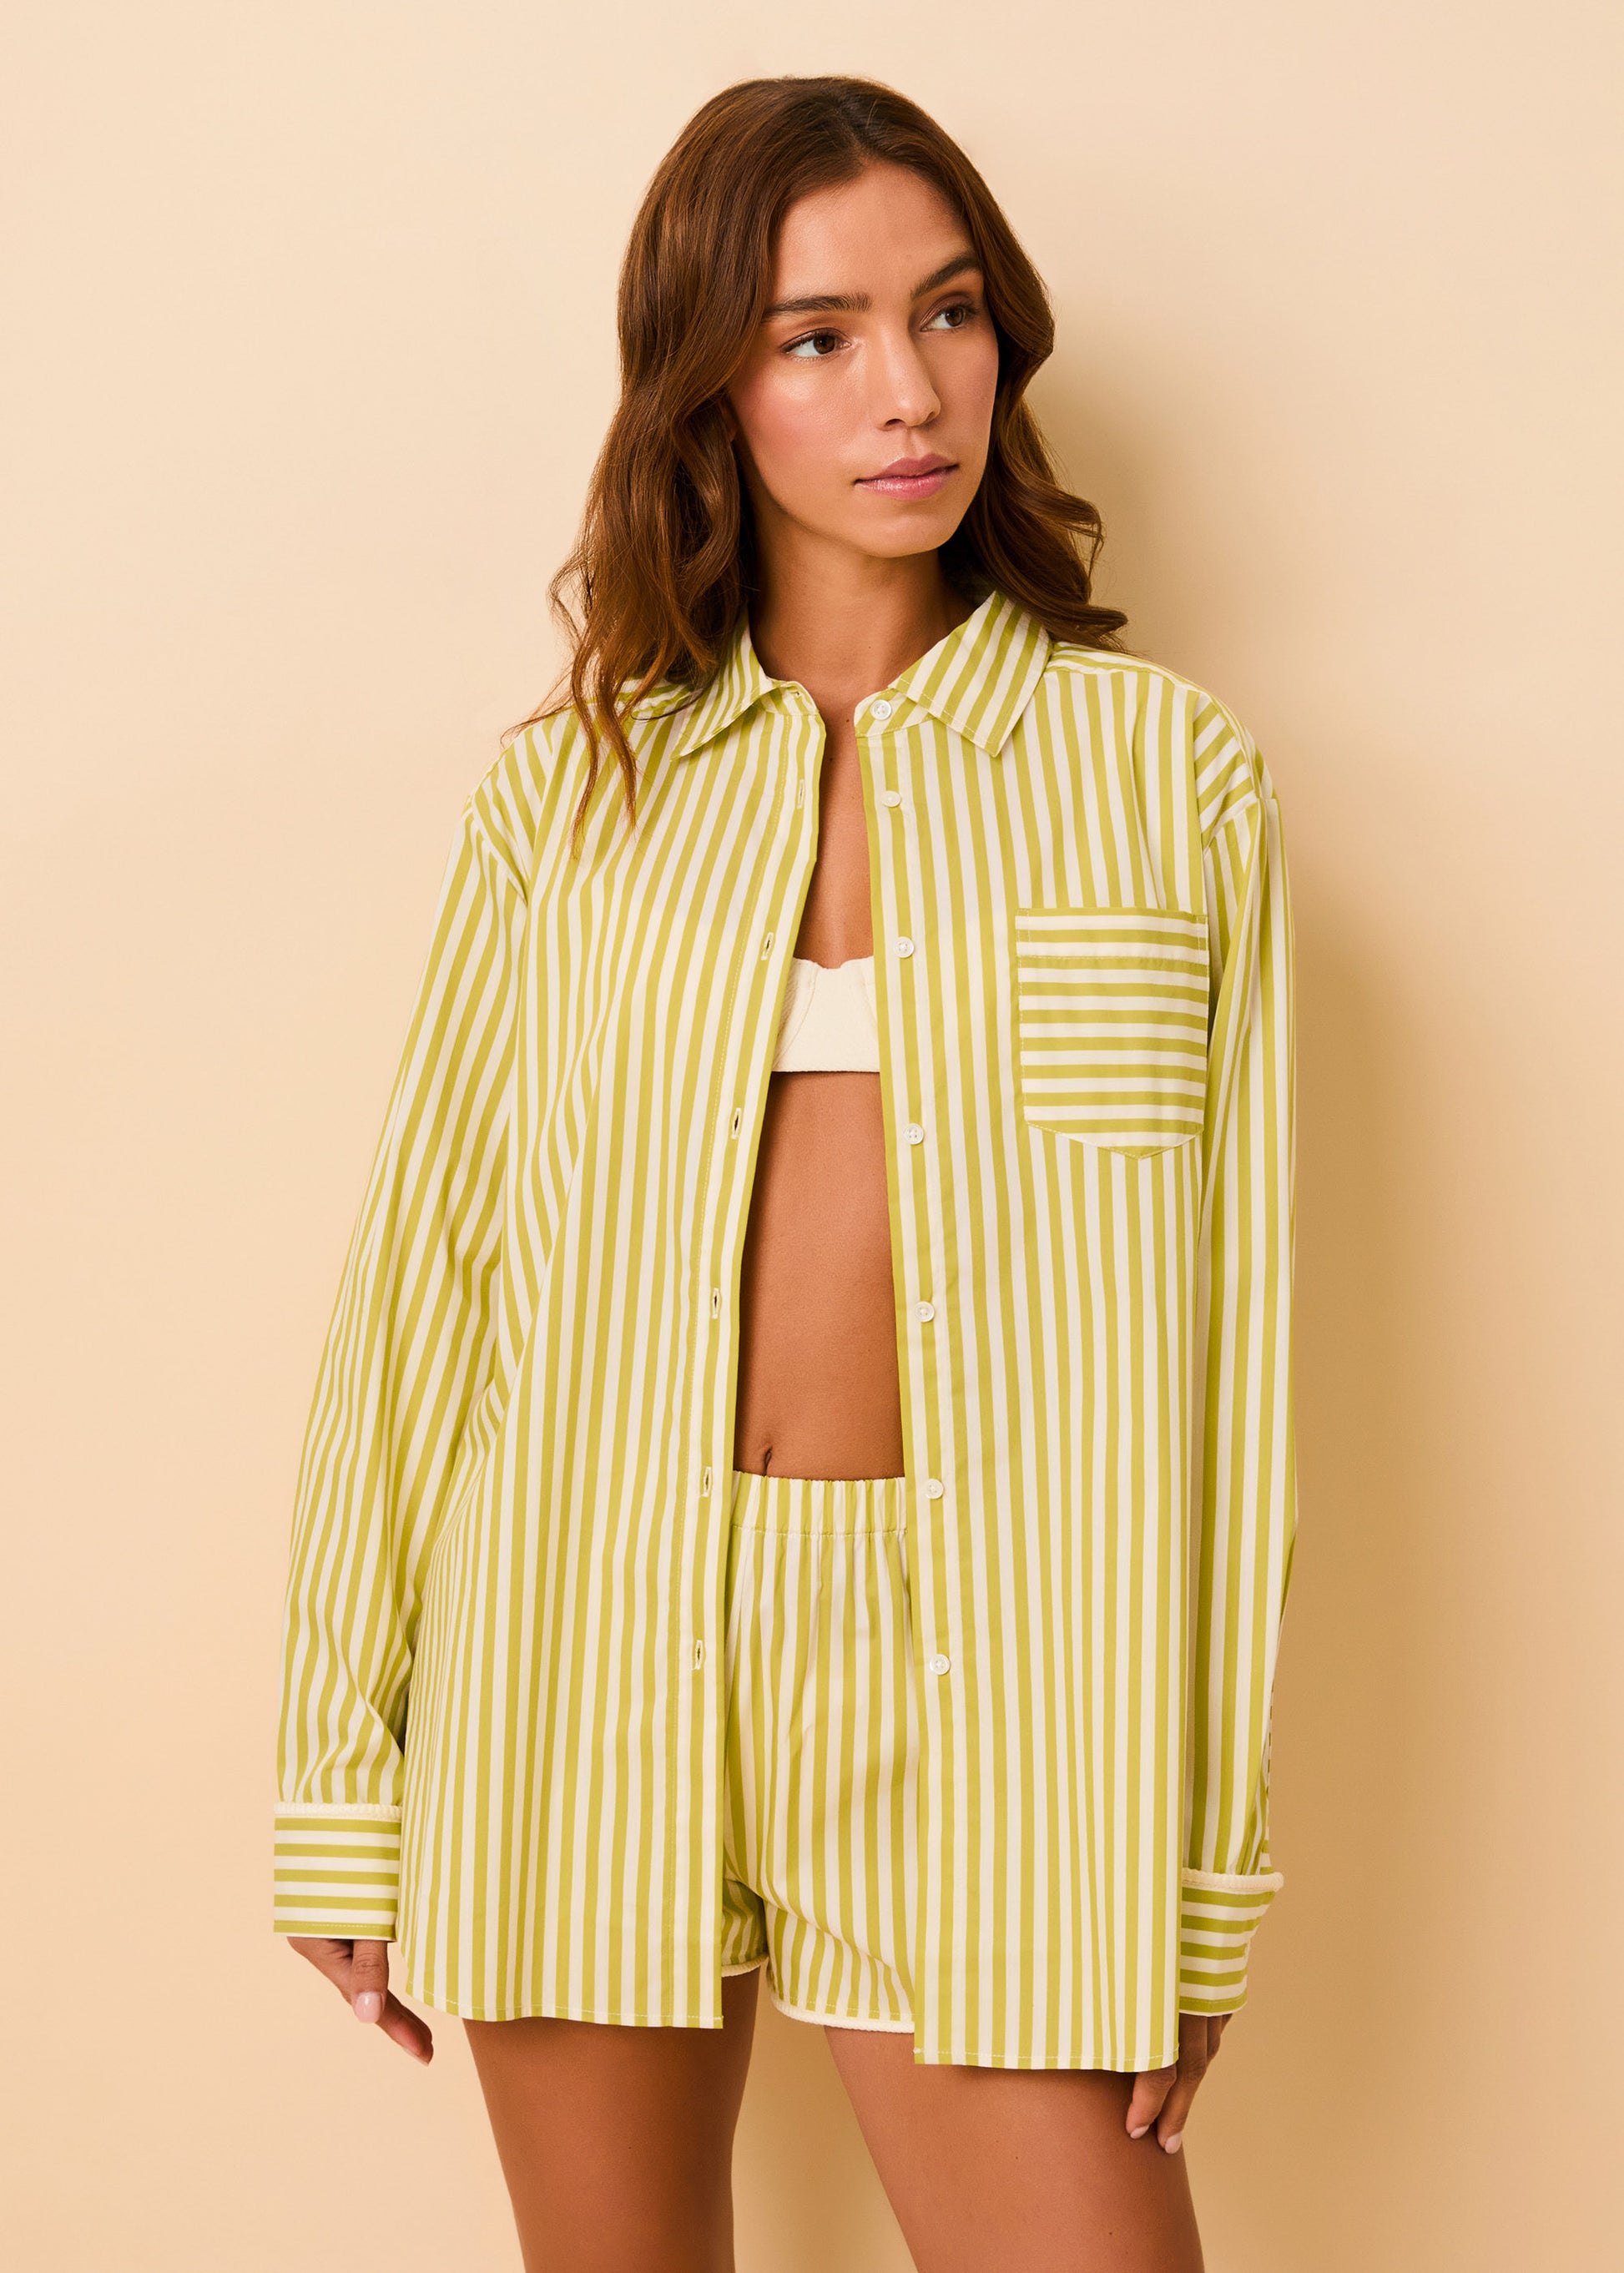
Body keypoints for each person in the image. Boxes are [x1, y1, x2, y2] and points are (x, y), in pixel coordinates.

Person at [272, 73, 1298, 2273]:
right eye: (816, 335)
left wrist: (1202, 1863)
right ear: (708, 389)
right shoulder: (567, 799)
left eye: (948, 312)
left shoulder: (1168, 783)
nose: (907, 390)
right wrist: (338, 1772)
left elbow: (1235, 1359)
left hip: (995, 1677)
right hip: (578, 1640)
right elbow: (425, 1287)